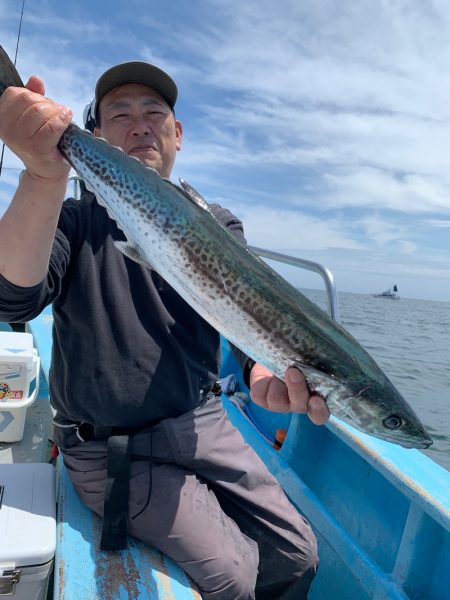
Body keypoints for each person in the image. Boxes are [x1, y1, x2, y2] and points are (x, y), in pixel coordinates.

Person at [0, 59, 330, 599]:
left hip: (202, 421)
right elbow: (13, 295)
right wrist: (41, 176)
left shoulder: (215, 222)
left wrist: (262, 367)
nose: (140, 124)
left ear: (177, 134)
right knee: (232, 578)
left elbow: (245, 312)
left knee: (298, 554)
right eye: (119, 114)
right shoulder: (70, 216)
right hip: (109, 445)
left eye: (155, 113)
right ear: (97, 133)